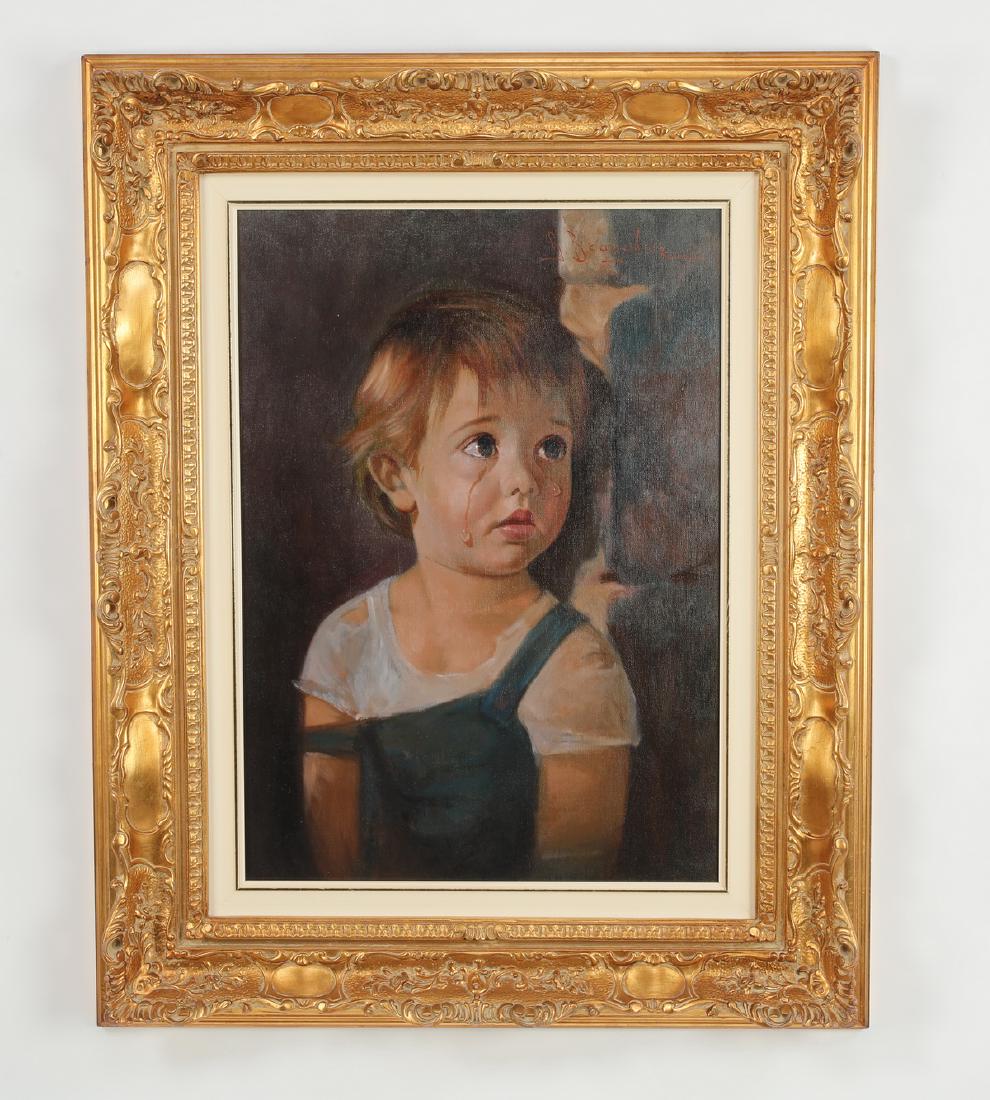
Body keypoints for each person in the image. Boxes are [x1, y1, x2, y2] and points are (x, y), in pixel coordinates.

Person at [296, 287, 639, 881]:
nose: (524, 479)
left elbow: (573, 891)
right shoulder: (347, 645)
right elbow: (335, 871)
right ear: (397, 476)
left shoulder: (577, 668)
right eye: (483, 445)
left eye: (550, 447)